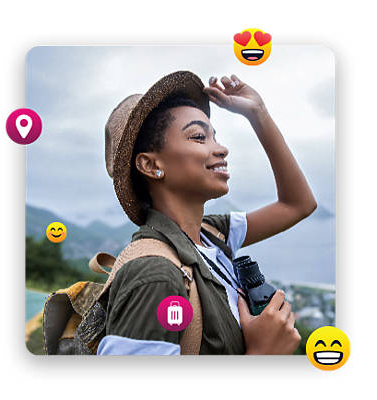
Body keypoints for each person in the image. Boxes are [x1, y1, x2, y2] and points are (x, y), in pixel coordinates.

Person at [97, 71, 317, 355]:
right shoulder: (155, 275)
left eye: (216, 137)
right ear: (150, 166)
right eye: (199, 137)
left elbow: (297, 205)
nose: (221, 149)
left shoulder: (209, 235)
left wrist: (257, 113)